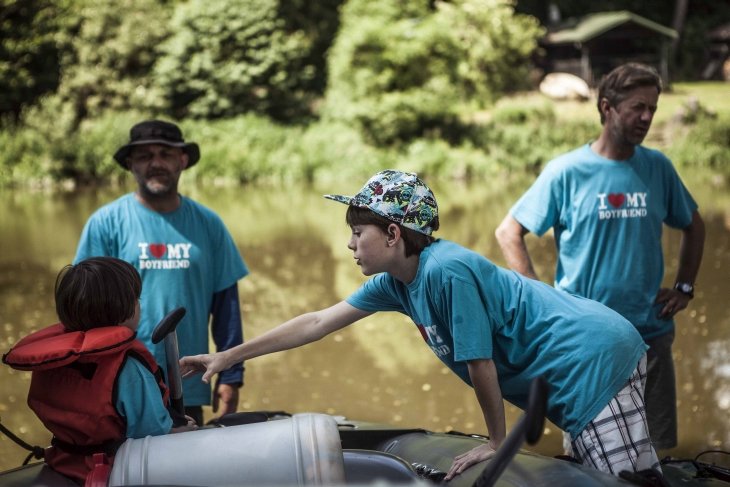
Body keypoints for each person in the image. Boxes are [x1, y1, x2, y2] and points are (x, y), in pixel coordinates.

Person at [180, 169, 661, 479]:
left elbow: (480, 364)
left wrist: (495, 443)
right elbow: (318, 321)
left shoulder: (445, 272)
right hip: (578, 367)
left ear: (393, 234)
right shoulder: (397, 281)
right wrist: (228, 355)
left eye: (356, 232)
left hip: (594, 358)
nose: (350, 244)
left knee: (620, 482)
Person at [495, 63, 705, 452]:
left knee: (657, 452)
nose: (647, 117)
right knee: (587, 455)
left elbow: (694, 225)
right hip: (587, 340)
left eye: (653, 109)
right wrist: (540, 298)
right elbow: (509, 232)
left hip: (650, 333)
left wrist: (684, 287)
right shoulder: (566, 172)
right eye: (638, 107)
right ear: (607, 108)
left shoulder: (657, 167)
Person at [74, 120, 249, 426]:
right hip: (120, 385)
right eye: (145, 156)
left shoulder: (209, 224)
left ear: (182, 161)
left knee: (185, 470)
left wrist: (231, 373)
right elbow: (82, 310)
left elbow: (226, 306)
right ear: (131, 164)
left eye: (165, 154)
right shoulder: (105, 224)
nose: (156, 163)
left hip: (188, 383)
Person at [2, 257, 196, 485]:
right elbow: (151, 433)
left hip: (64, 461)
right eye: (137, 299)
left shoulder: (58, 359)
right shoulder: (128, 367)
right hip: (116, 470)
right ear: (125, 310)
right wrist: (181, 432)